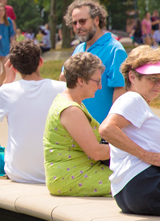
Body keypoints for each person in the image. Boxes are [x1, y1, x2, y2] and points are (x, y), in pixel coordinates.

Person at [100, 46, 160, 215]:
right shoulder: (133, 98)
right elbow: (107, 129)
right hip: (146, 182)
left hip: (133, 189)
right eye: (152, 78)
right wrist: (146, 155)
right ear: (132, 76)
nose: (158, 84)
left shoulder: (137, 102)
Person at [0, 40, 66, 184]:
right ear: (41, 62)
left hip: (17, 172)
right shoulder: (61, 88)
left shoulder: (6, 91)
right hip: (52, 171)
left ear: (14, 67)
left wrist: (7, 80)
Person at [42, 52, 112, 196]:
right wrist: (132, 150)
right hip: (69, 177)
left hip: (72, 173)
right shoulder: (71, 110)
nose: (100, 87)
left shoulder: (69, 101)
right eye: (97, 81)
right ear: (80, 81)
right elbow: (96, 152)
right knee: (131, 180)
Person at [61, 0, 127, 124]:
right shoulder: (79, 48)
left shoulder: (115, 50)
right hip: (77, 125)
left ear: (96, 20)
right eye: (74, 23)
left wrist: (111, 127)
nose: (78, 26)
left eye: (82, 21)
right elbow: (63, 78)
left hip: (100, 128)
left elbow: (120, 94)